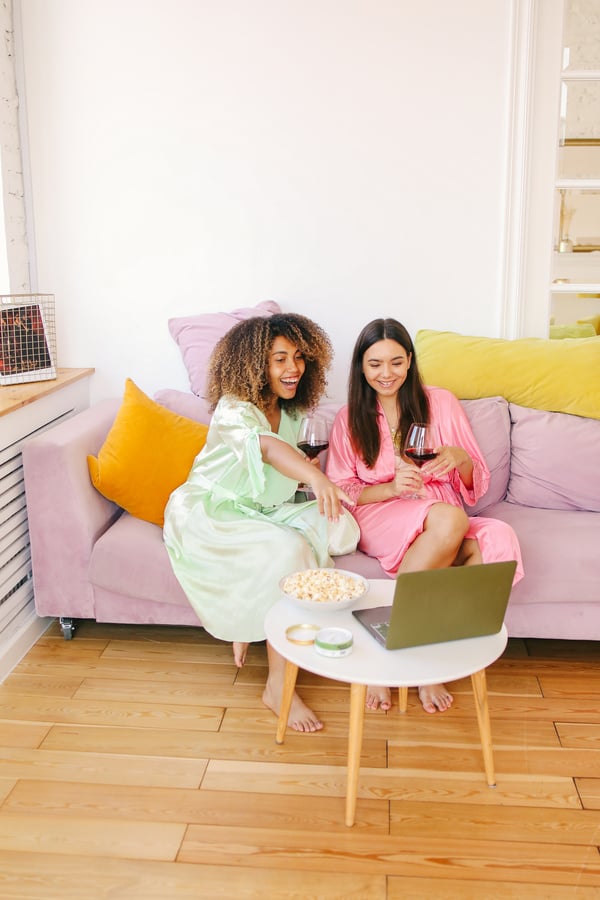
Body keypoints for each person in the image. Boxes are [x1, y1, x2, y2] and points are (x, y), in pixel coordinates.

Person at [163, 313, 359, 733]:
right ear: (255, 365)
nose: (293, 369)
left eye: (300, 358)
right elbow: (266, 449)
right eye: (280, 359)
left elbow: (281, 466)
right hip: (214, 511)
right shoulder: (235, 409)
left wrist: (306, 473)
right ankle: (276, 685)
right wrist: (314, 476)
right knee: (286, 550)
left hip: (264, 508)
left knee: (342, 526)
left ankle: (249, 615)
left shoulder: (291, 411)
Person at [325, 317, 524, 714]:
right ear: (361, 367)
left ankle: (407, 649)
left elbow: (475, 482)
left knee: (496, 538)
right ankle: (413, 662)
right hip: (383, 511)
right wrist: (390, 488)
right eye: (375, 363)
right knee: (451, 521)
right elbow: (343, 490)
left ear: (410, 361)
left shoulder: (441, 402)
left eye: (396, 362)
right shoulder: (348, 418)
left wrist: (460, 458)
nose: (387, 373)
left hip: (440, 508)